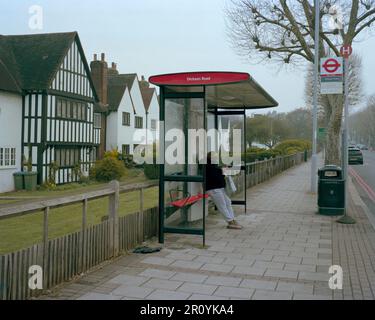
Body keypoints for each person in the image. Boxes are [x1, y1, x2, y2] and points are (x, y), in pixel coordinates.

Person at [205, 152, 242, 230]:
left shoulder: (213, 166)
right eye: (215, 157)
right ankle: (230, 222)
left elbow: (218, 175)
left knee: (228, 202)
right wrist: (222, 171)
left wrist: (222, 171)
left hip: (219, 188)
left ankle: (232, 219)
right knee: (222, 205)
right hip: (213, 189)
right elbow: (214, 177)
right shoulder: (208, 167)